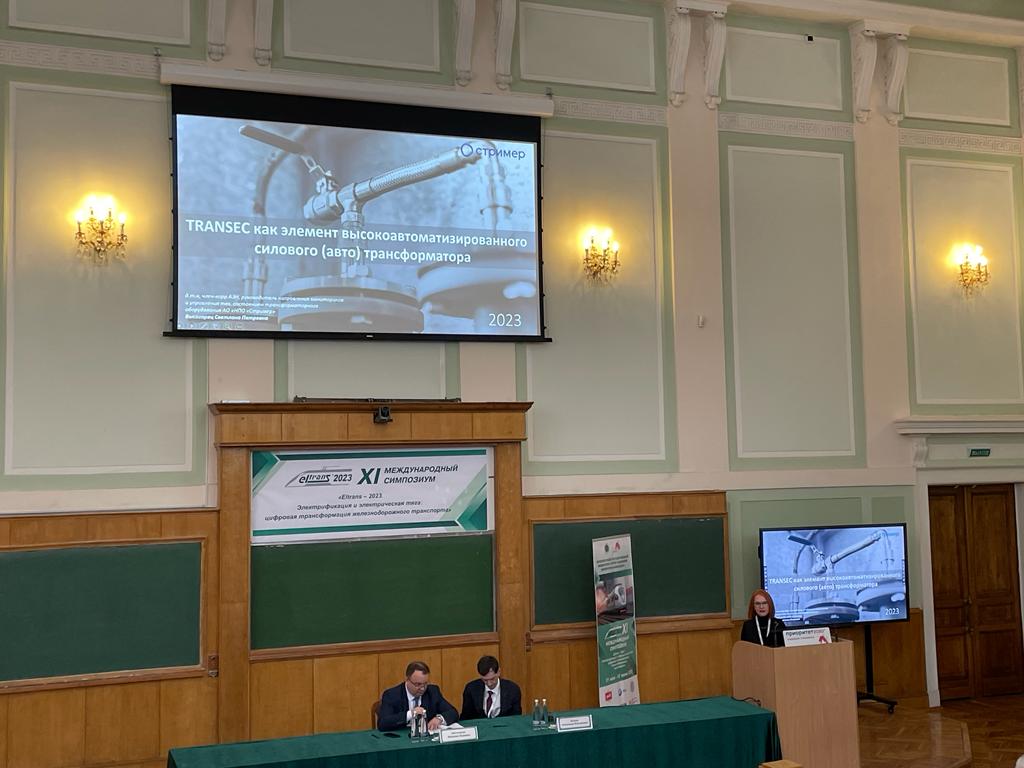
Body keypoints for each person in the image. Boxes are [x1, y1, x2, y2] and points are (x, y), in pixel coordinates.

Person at [378, 660, 458, 732]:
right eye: (418, 684)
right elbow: (383, 723)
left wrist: (439, 719)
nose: (422, 688)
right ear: (407, 680)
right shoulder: (392, 695)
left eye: (425, 684)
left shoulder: (432, 692)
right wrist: (410, 714)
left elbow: (453, 712)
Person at [459, 655, 522, 720]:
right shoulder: (471, 689)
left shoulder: (513, 690)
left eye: (492, 679)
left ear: (499, 672)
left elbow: (516, 718)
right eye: (485, 680)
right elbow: (466, 717)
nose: (489, 684)